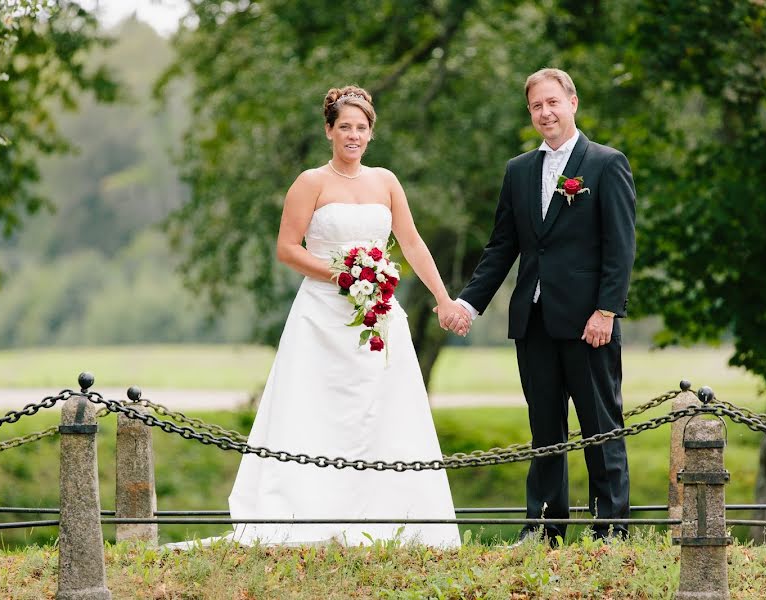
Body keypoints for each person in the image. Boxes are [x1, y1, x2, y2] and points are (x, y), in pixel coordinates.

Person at [225, 85, 462, 547]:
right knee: (317, 409)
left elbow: (411, 243)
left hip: (378, 315)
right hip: (320, 317)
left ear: (371, 133)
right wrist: (342, 274)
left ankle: (394, 514)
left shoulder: (386, 181)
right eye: (345, 127)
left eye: (362, 128)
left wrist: (444, 298)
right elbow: (287, 249)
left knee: (382, 409)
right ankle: (306, 511)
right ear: (329, 131)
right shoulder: (310, 182)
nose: (353, 135)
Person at [446, 68, 636, 544]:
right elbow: (501, 247)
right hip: (532, 322)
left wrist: (606, 311)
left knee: (601, 426)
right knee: (545, 430)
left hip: (589, 323)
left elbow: (620, 247)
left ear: (573, 102)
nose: (545, 112)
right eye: (536, 106)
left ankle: (610, 528)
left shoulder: (607, 164)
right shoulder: (519, 170)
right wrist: (469, 305)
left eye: (553, 102)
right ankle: (545, 528)